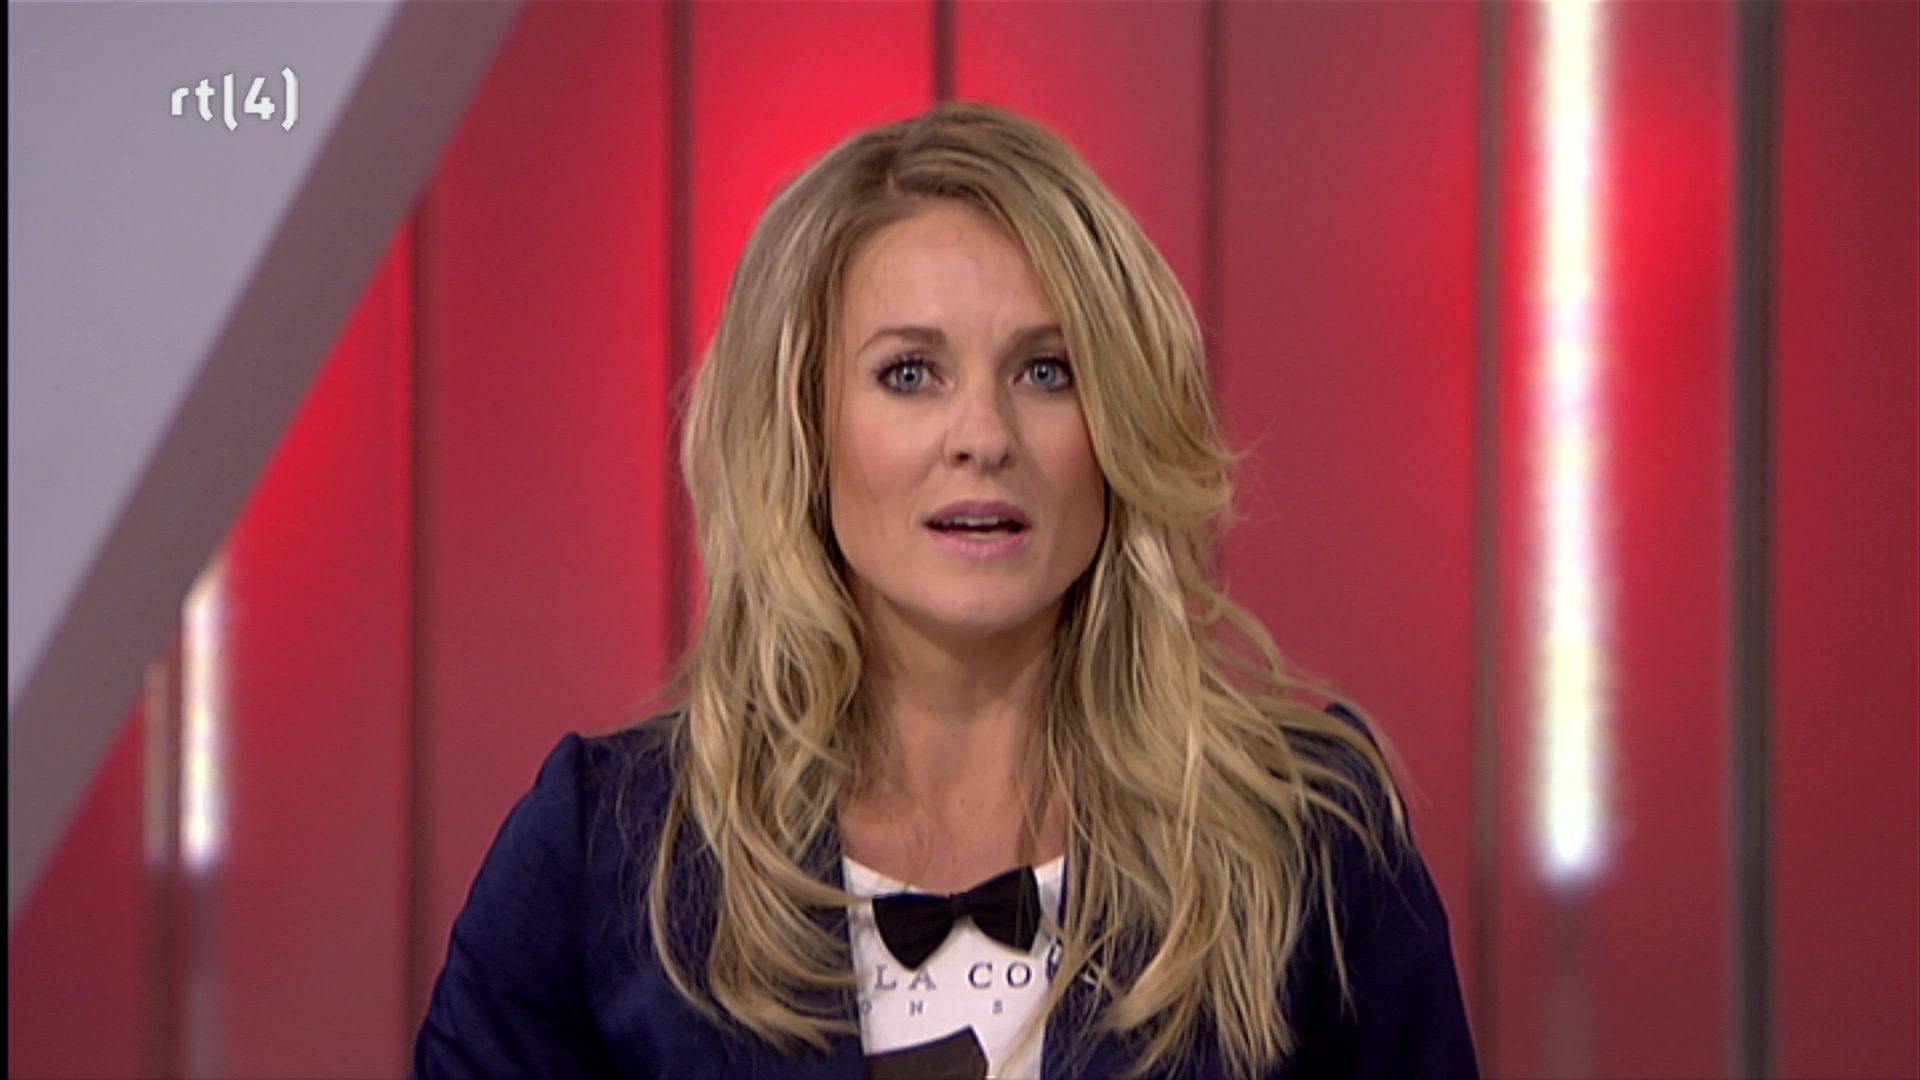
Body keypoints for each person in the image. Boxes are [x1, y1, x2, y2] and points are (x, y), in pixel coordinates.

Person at [413, 100, 1477, 1079]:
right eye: (910, 373)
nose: (984, 437)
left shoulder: (1307, 838)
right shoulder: (604, 854)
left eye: (1047, 370)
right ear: (804, 429)